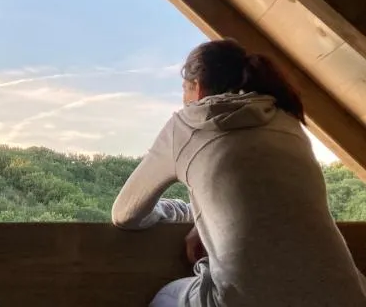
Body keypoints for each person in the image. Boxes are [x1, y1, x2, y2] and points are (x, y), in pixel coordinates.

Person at [112, 39, 366, 307]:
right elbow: (268, 201)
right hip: (348, 297)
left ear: (196, 88)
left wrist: (179, 211)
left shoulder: (187, 124)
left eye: (184, 91)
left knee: (165, 298)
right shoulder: (285, 118)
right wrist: (203, 220)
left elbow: (125, 214)